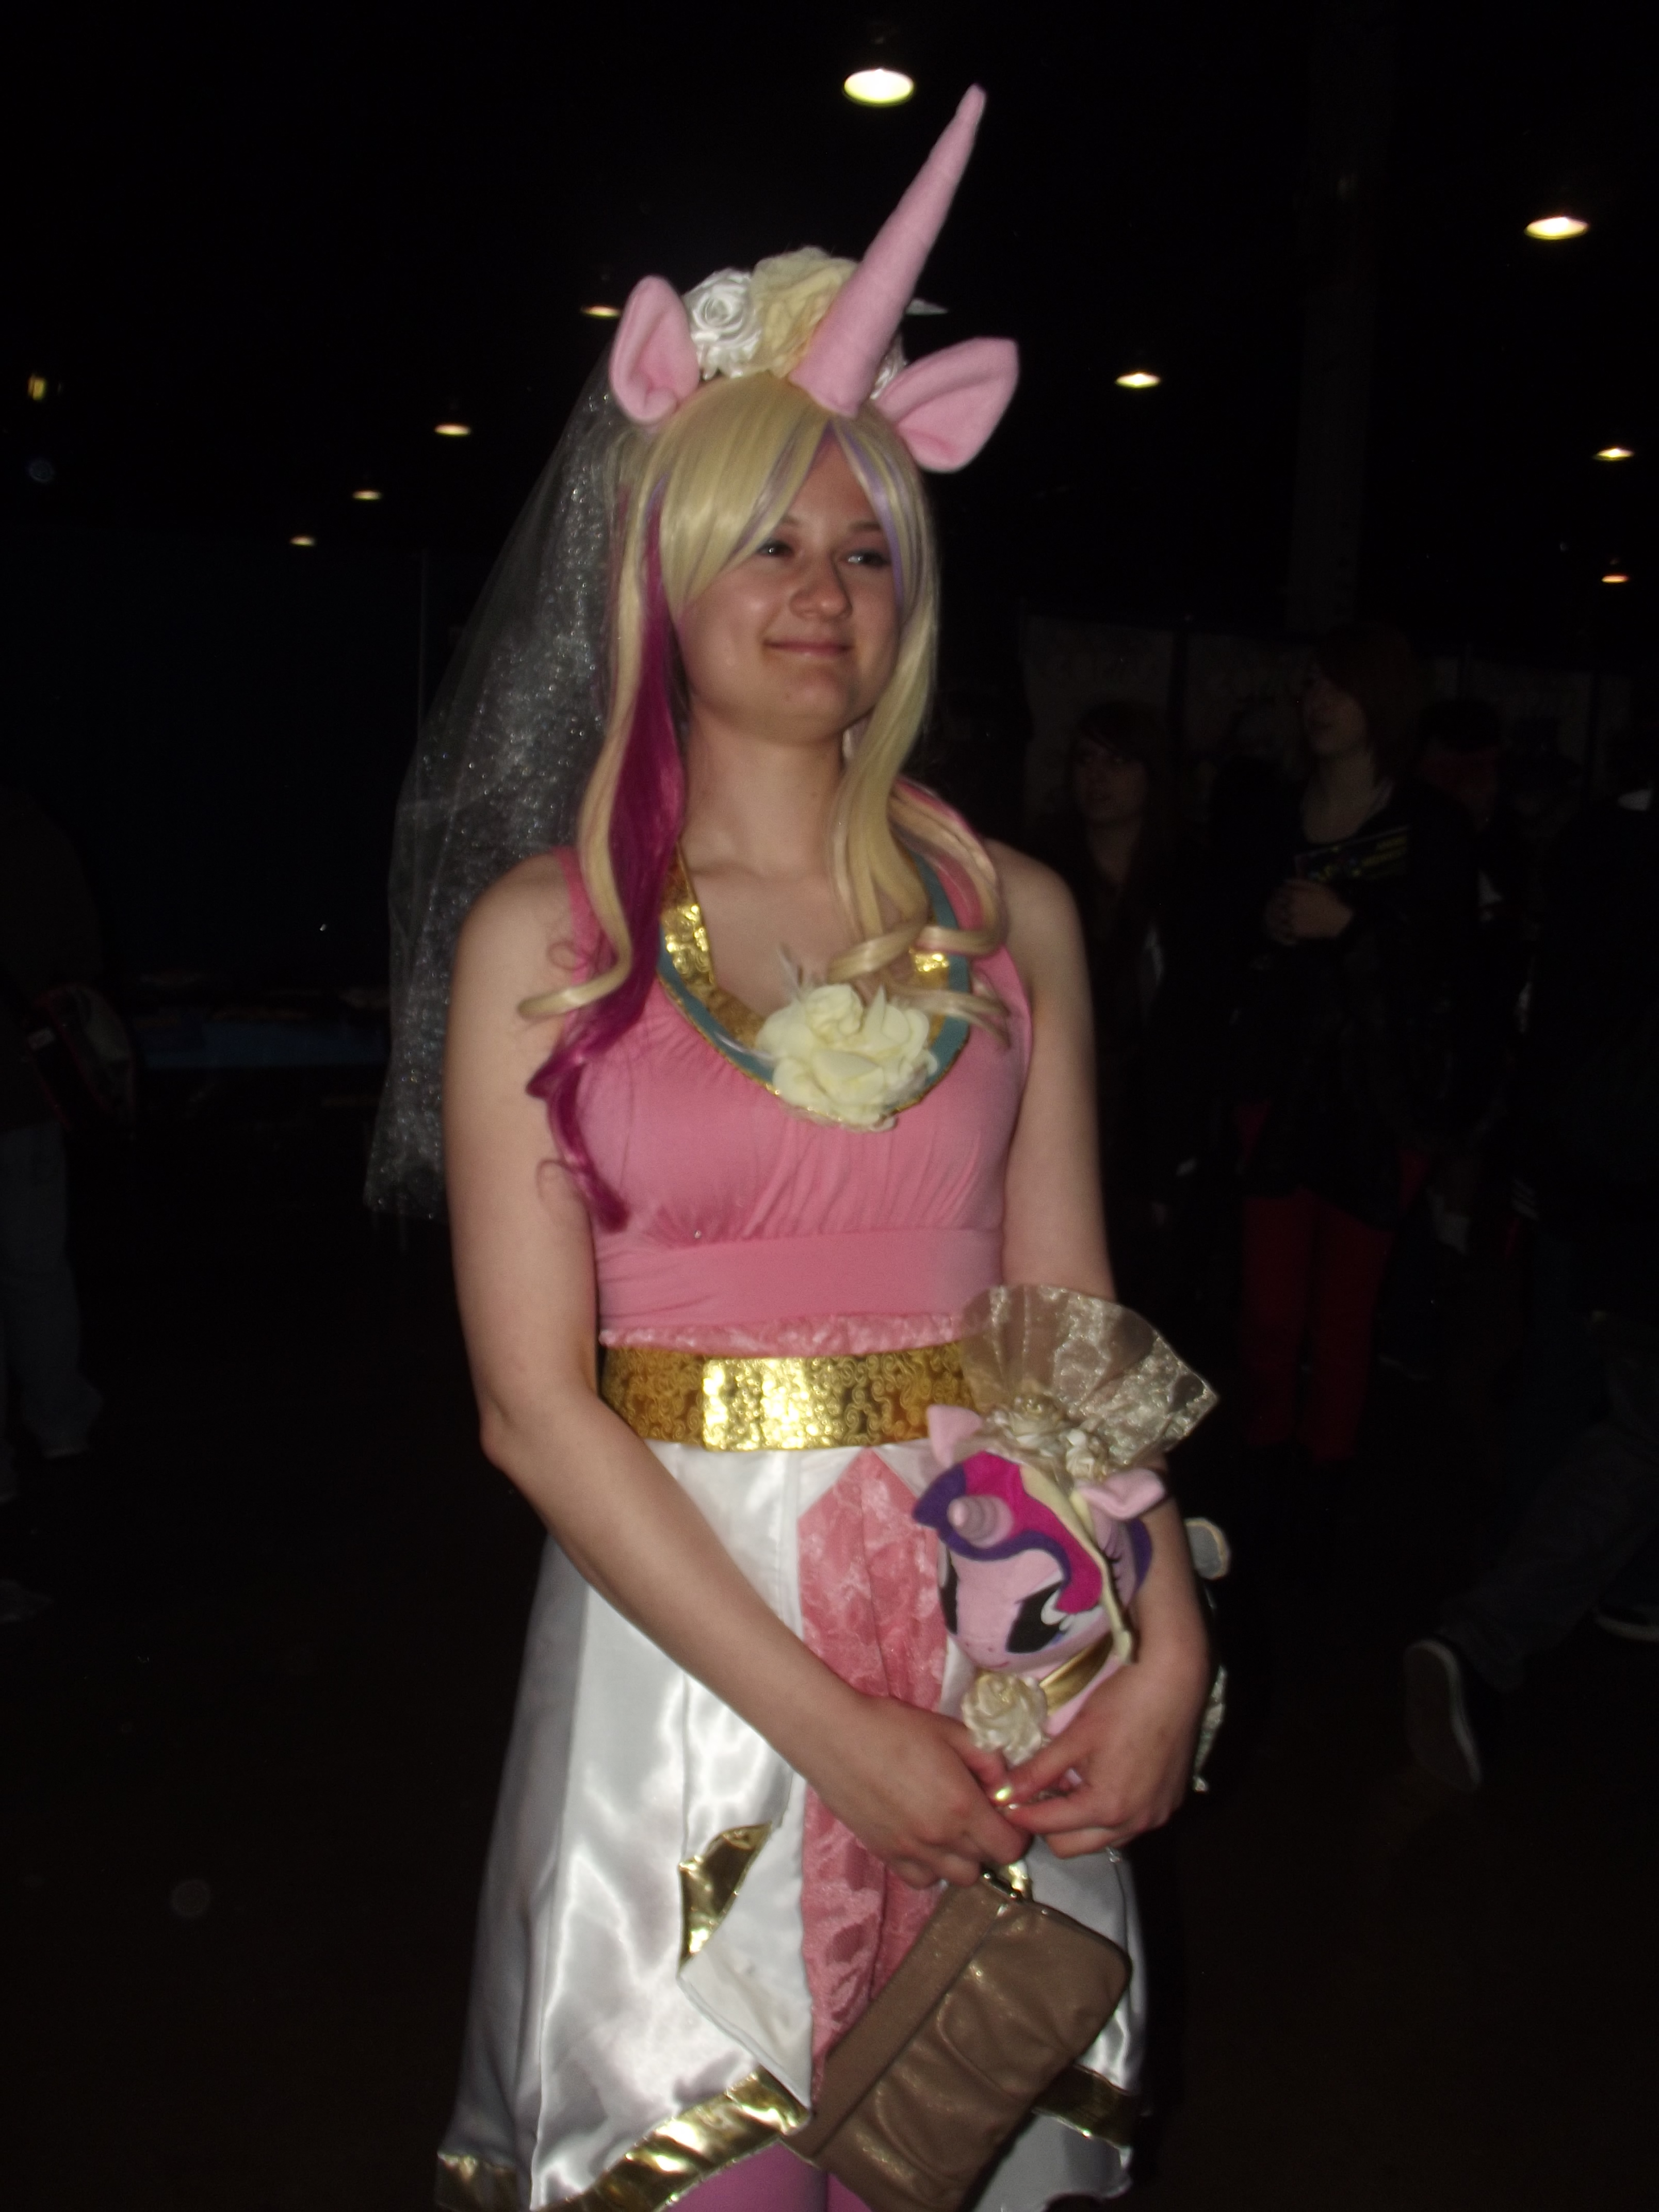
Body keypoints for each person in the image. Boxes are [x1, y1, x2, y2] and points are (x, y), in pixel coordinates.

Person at [369, 94, 1212, 2212]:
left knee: (975, 2142)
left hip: (999, 1622)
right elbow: (530, 1407)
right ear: (662, 568)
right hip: (686, 1671)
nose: (823, 590)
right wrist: (833, 1728)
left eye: (864, 548)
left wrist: (1172, 1633)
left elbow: (1068, 1326)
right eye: (769, 540)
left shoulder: (1013, 912)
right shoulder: (545, 939)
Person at [1405, 753, 1659, 1790]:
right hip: (1615, 1200)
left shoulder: (1605, 845)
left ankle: (1490, 1635)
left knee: (1627, 1435)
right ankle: (1487, 1636)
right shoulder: (1610, 846)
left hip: (1612, 1205)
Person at [1216, 623, 1479, 1475]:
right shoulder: (1271, 813)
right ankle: (1264, 1468)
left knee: (1342, 1318)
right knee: (1268, 1312)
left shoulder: (1432, 824)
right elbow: (1219, 940)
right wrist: (1266, 925)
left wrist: (1353, 925)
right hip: (1281, 1085)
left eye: (1339, 685)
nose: (1318, 702)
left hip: (1379, 1099)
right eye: (1312, 686)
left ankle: (1320, 1489)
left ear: (1383, 699)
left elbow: (1450, 965)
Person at [0, 787, 105, 1508]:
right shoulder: (33, 835)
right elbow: (83, 961)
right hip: (23, 1092)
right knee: (37, 1269)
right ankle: (61, 1422)